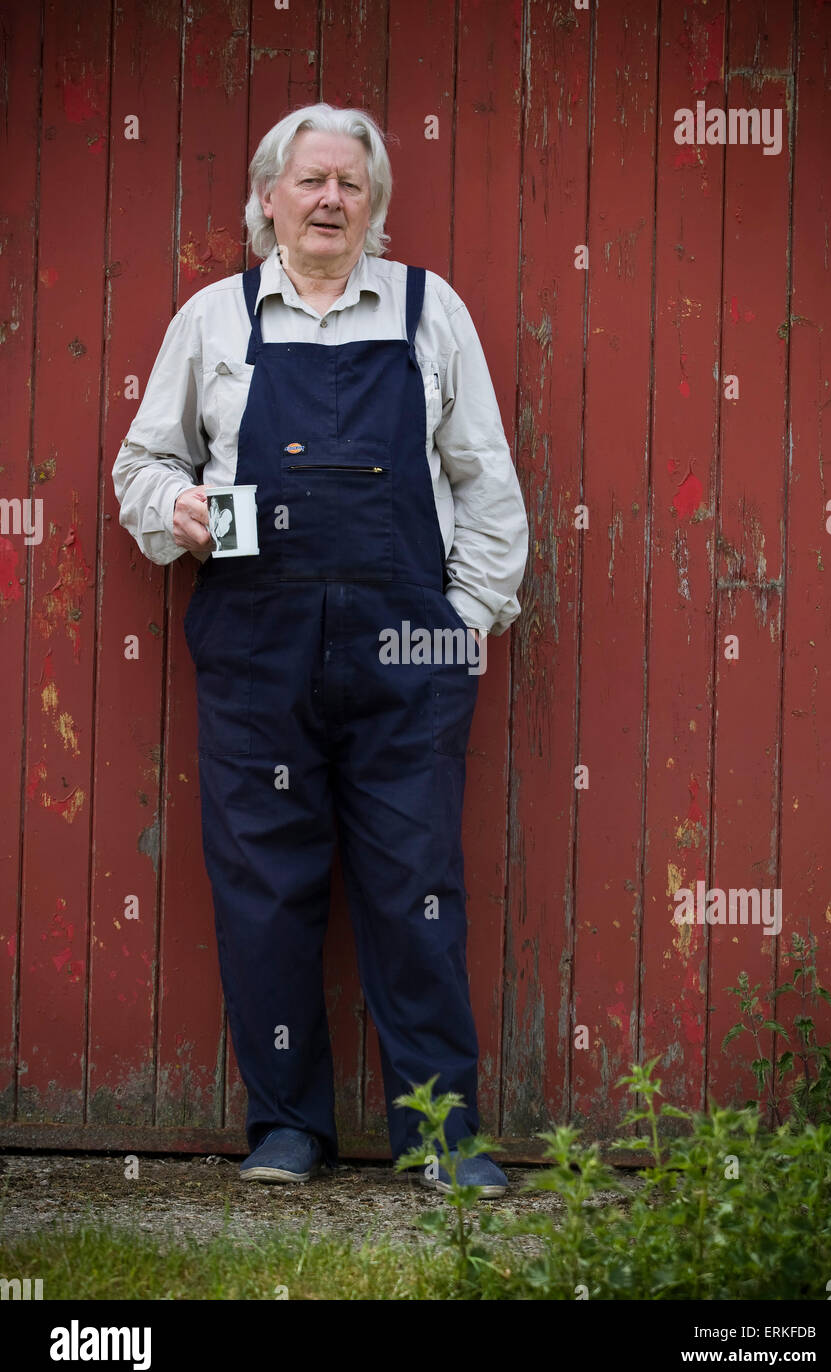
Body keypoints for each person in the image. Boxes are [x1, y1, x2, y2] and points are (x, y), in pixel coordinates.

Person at [112, 102, 528, 1197]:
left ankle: (441, 1138)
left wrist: (463, 623)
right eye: (309, 181)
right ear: (267, 199)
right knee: (263, 890)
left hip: (406, 651)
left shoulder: (430, 314)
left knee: (415, 888)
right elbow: (140, 463)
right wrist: (177, 508)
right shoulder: (212, 320)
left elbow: (485, 479)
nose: (330, 199)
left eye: (350, 182)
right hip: (258, 648)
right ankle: (287, 1126)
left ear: (375, 203)